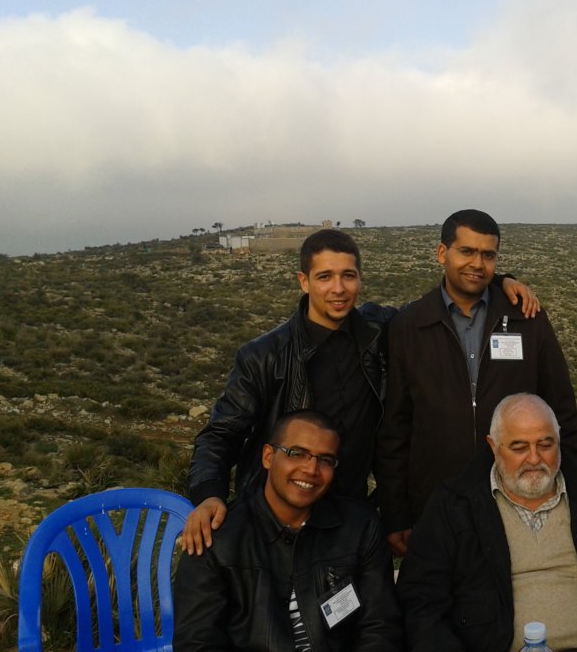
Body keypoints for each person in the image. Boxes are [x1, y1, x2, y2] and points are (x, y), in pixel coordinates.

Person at [183, 227, 538, 555]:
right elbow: (220, 435)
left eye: (348, 276)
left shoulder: (379, 330)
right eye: (325, 277)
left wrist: (499, 281)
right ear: (304, 281)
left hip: (351, 520)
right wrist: (208, 495)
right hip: (279, 518)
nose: (338, 289)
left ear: (359, 279)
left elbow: (440, 303)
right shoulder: (265, 356)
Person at [397, 393, 577, 652]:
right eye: (519, 447)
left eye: (545, 445)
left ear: (559, 441)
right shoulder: (454, 509)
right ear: (493, 446)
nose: (534, 459)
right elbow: (422, 599)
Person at [374, 209, 577, 555]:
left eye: (488, 255)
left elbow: (561, 409)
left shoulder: (526, 317)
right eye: (467, 251)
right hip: (435, 502)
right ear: (442, 253)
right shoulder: (410, 326)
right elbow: (395, 428)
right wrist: (395, 513)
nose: (478, 263)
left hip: (519, 499)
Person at [173, 410, 402, 651]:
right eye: (297, 453)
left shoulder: (359, 527)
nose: (311, 469)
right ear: (268, 457)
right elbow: (197, 643)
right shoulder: (217, 535)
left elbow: (380, 626)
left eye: (325, 460)